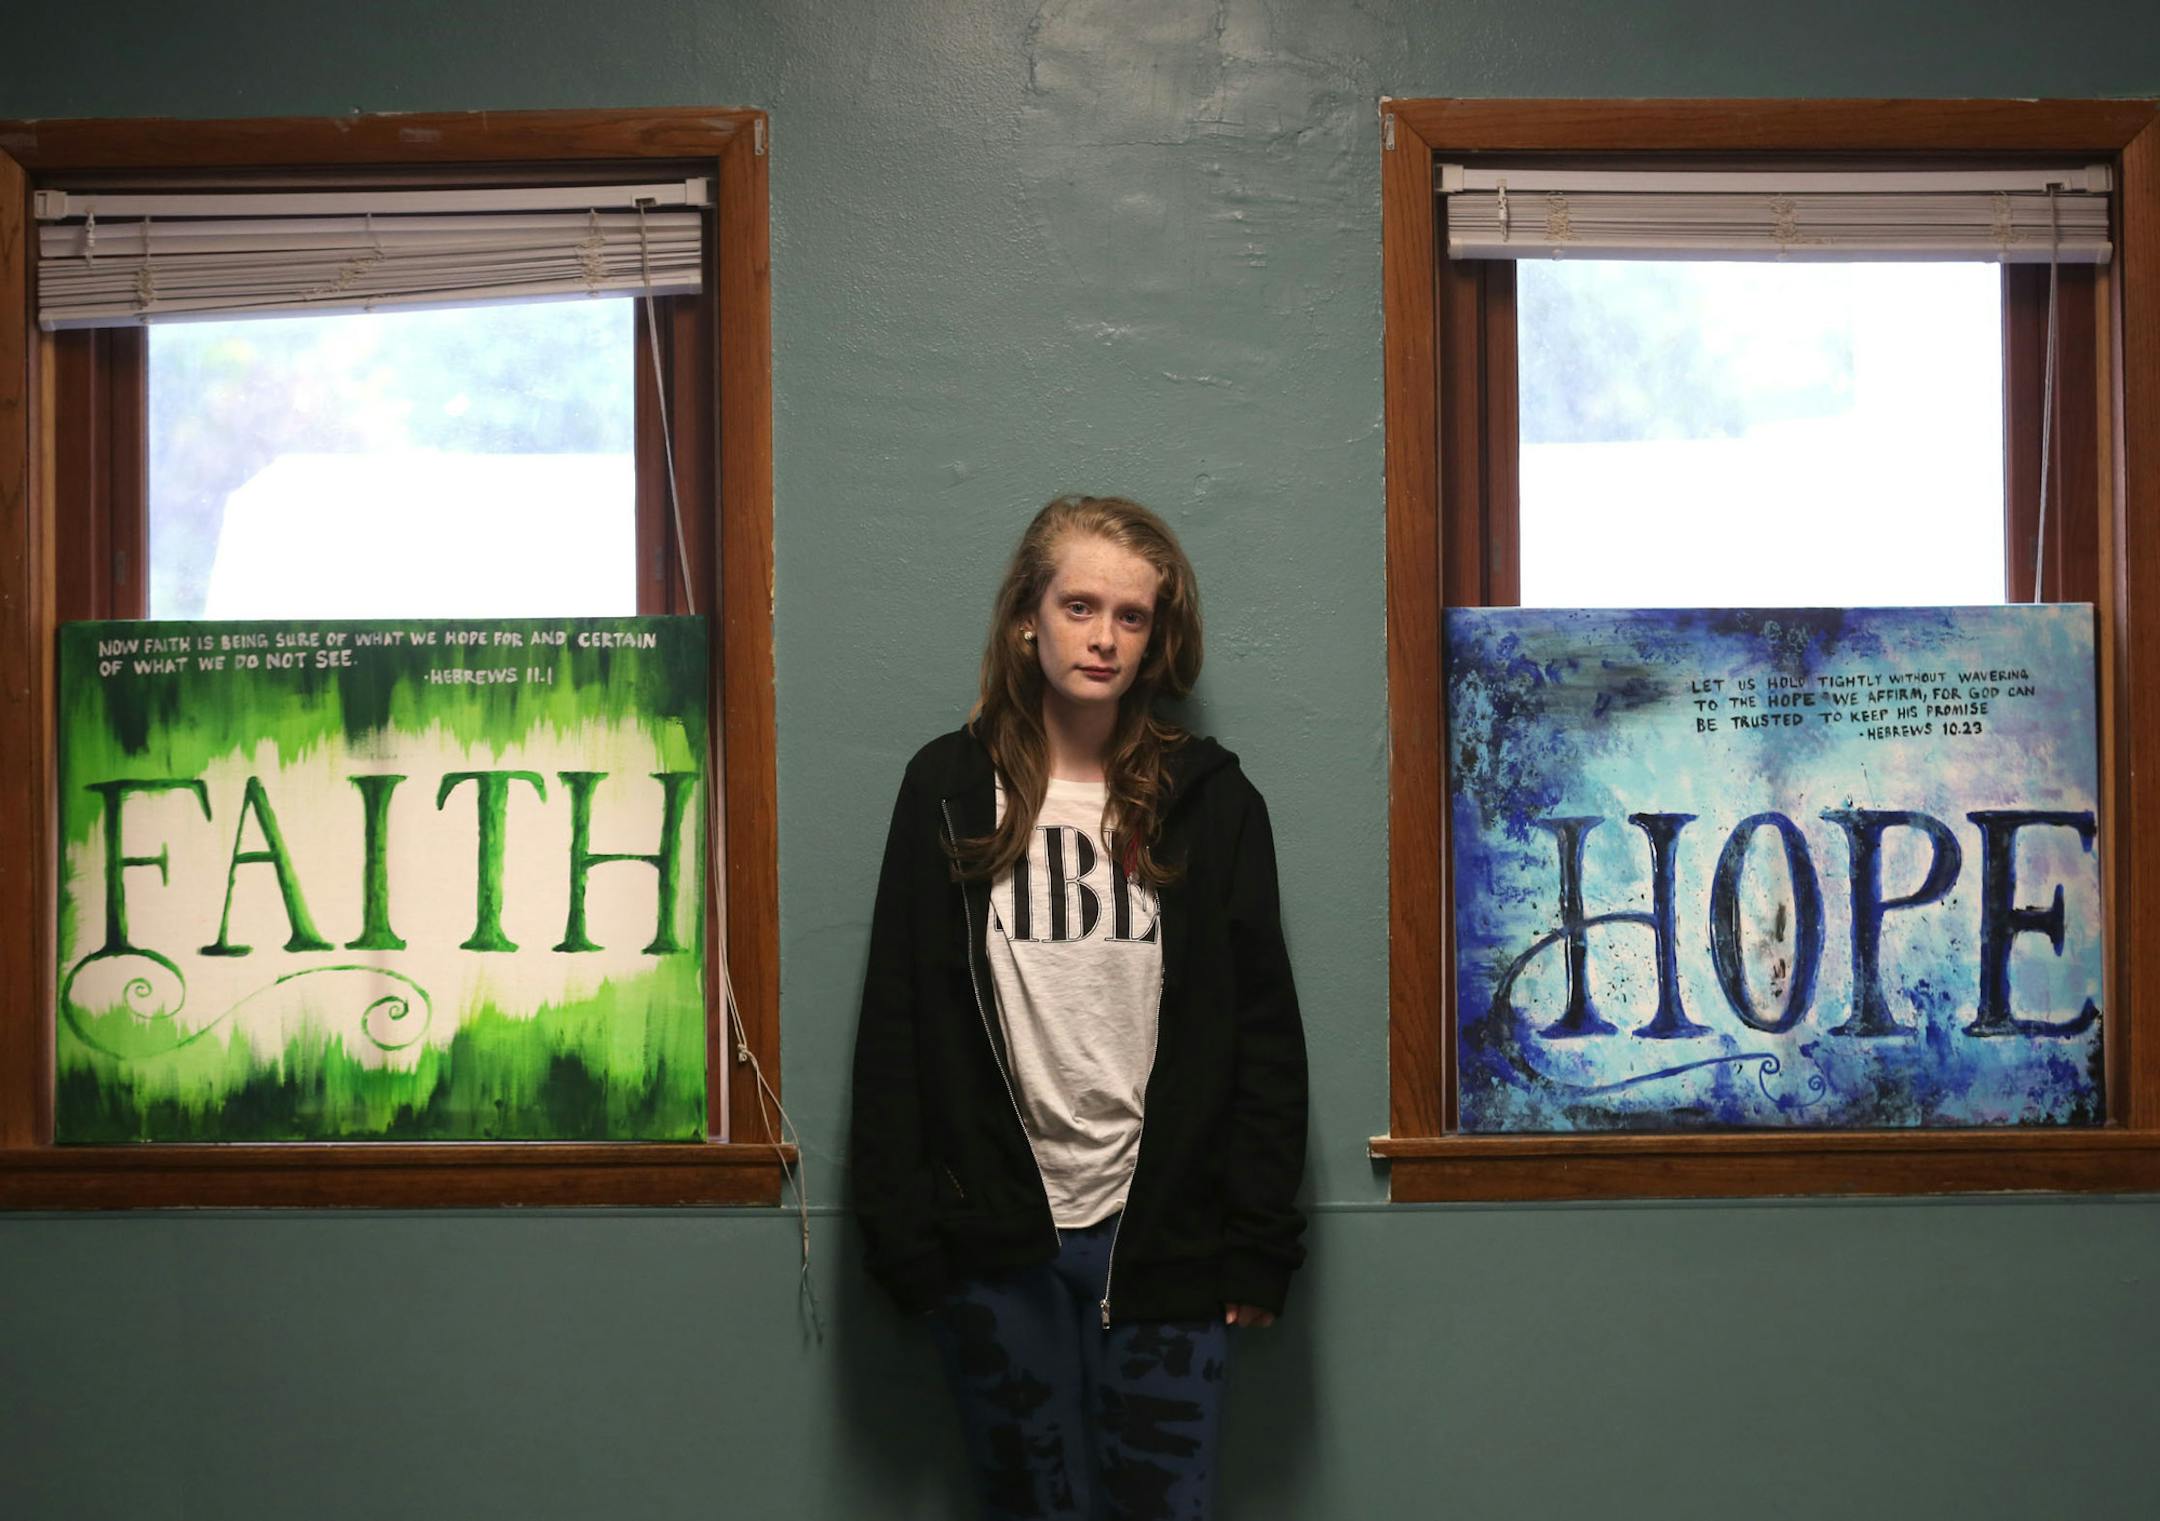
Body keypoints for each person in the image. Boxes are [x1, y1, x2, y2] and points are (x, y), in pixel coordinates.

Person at [849, 494, 1309, 1521]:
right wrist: (904, 1237)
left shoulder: (1213, 801)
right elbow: (898, 1026)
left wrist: (1258, 1241)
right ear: (1028, 616)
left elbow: (1264, 1038)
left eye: (1132, 616)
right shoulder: (948, 787)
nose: (1103, 637)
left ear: (1158, 638)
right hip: (997, 1242)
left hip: (1166, 1238)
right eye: (1079, 606)